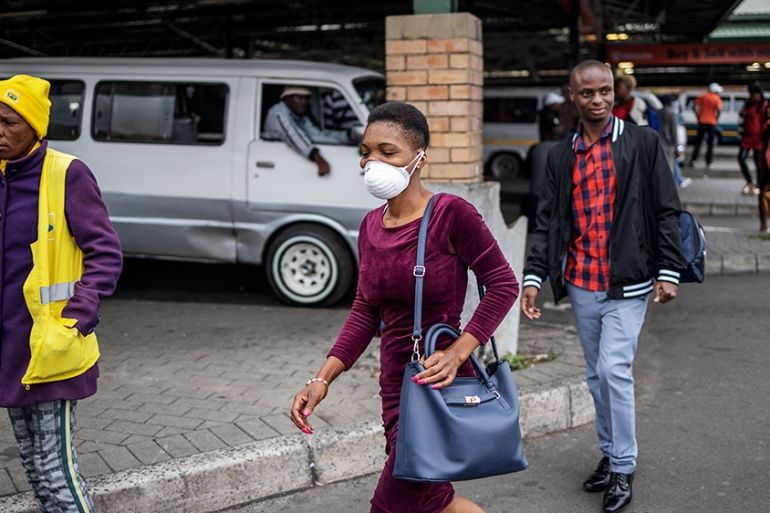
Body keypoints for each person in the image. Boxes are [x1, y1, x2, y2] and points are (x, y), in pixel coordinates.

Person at [290, 101, 518, 513]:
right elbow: (365, 310)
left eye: (387, 151)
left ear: (419, 158)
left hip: (437, 382)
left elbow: (503, 284)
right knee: (433, 500)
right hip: (395, 386)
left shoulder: (451, 214)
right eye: (366, 151)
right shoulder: (370, 226)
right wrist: (322, 379)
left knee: (393, 505)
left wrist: (458, 352)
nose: (372, 161)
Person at [520, 60, 685, 513]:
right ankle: (611, 454)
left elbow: (666, 208)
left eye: (606, 91)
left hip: (629, 281)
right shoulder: (560, 155)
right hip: (581, 282)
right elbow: (547, 221)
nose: (598, 100)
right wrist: (534, 275)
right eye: (588, 93)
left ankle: (623, 466)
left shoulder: (642, 143)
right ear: (572, 96)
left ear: (615, 92)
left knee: (614, 370)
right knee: (596, 376)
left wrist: (669, 269)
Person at [0, 75, 123, 512]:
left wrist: (77, 316)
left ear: (35, 127)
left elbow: (105, 253)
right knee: (33, 466)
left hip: (53, 344)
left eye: (9, 122)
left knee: (56, 471)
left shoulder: (67, 174)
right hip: (12, 349)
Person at [263, 86, 349, 176]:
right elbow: (293, 136)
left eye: (306, 99)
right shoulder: (279, 113)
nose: (304, 102)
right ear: (287, 98)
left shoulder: (299, 117)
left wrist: (347, 136)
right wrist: (318, 158)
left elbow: (319, 135)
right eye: (300, 98)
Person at [737, 82, 766, 196]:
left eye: (755, 93)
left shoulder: (764, 105)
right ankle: (750, 181)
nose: (753, 96)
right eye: (752, 94)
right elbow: (741, 117)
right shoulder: (748, 104)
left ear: (759, 93)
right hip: (747, 137)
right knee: (741, 158)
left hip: (759, 138)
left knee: (758, 163)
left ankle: (759, 185)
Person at [686, 82, 723, 169]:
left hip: (702, 122)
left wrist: (698, 116)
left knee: (698, 143)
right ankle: (708, 162)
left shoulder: (702, 97)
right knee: (710, 144)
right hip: (712, 123)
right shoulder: (717, 98)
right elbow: (719, 111)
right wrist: (716, 119)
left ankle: (693, 160)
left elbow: (694, 107)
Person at [658, 94, 682, 188]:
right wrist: (677, 148)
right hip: (668, 145)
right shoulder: (672, 114)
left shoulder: (657, 113)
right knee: (669, 168)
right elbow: (674, 132)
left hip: (658, 144)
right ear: (669, 103)